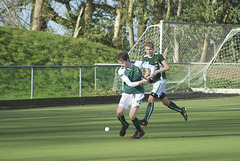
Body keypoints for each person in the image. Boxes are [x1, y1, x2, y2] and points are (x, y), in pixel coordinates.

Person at [139, 42, 188, 126]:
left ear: (153, 49)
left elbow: (167, 67)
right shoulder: (145, 58)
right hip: (155, 82)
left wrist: (156, 71)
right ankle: (181, 110)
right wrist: (143, 78)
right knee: (165, 102)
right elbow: (148, 71)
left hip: (161, 80)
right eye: (147, 49)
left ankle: (145, 120)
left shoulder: (158, 56)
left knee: (150, 99)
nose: (148, 51)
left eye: (150, 49)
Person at [116, 51, 155, 139]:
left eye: (122, 63)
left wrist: (151, 76)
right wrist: (144, 81)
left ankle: (140, 131)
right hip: (127, 92)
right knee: (119, 113)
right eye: (120, 63)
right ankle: (124, 124)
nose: (121, 65)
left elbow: (152, 67)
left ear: (128, 60)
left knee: (132, 116)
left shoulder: (138, 64)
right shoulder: (121, 71)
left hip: (138, 93)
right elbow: (130, 84)